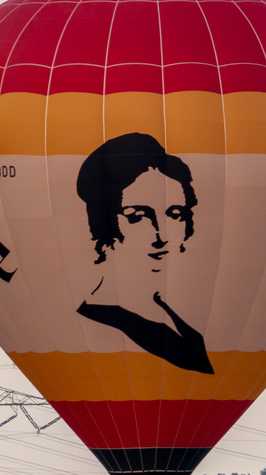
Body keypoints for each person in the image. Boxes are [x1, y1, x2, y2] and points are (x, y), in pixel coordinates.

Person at [75, 133, 213, 374]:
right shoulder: (94, 322)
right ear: (102, 225)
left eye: (175, 214)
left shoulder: (168, 313)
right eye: (137, 216)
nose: (161, 236)